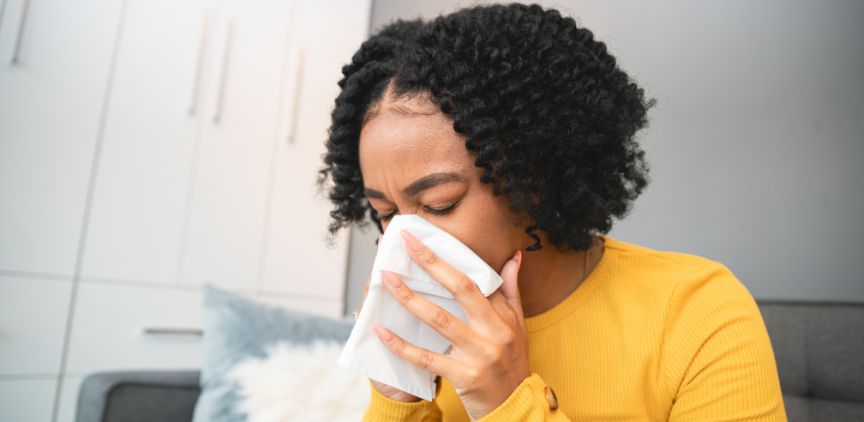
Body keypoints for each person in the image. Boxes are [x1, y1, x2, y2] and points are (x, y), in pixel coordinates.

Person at [317, 3, 787, 421]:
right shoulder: (428, 333)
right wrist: (399, 398)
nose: (405, 241)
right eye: (384, 213)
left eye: (440, 204)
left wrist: (507, 402)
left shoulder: (698, 314)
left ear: (531, 179)